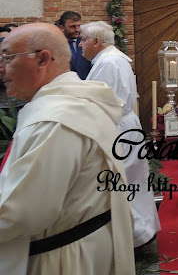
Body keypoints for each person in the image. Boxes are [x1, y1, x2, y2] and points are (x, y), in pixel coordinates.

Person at [0, 23, 135, 274]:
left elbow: (21, 213)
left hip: (63, 259)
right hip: (86, 243)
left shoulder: (54, 121)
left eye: (7, 57)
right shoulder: (78, 101)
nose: (1, 67)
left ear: (43, 59)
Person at [79, 21, 161, 253]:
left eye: (83, 40)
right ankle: (139, 234)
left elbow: (104, 103)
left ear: (97, 42)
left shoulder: (109, 62)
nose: (80, 45)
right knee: (129, 183)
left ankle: (134, 237)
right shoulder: (111, 59)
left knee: (119, 184)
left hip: (115, 128)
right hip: (122, 126)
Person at [58, 11, 92, 79]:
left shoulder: (86, 42)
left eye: (79, 26)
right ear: (62, 28)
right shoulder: (55, 45)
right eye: (73, 26)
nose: (77, 30)